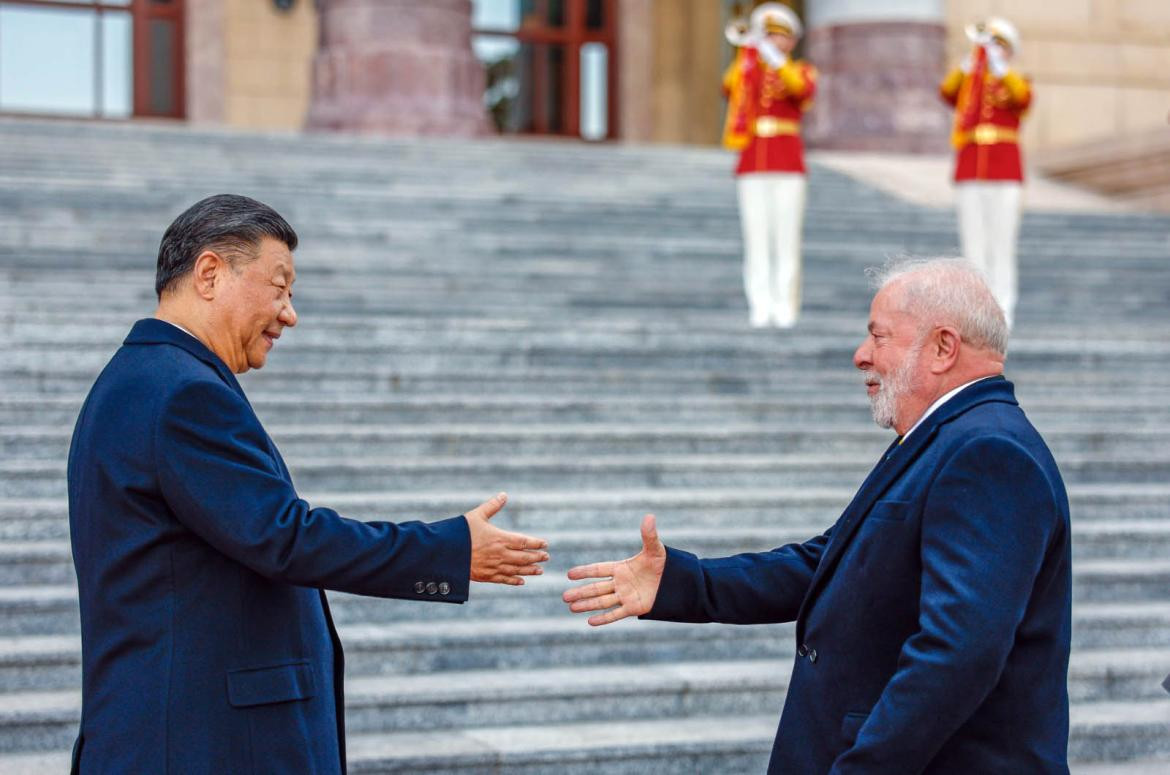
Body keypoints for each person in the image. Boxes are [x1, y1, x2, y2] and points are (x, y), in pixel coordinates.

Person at [67, 194, 549, 773]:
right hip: (198, 745)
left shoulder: (146, 378)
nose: (289, 313)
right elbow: (283, 537)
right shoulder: (180, 393)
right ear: (211, 273)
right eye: (279, 287)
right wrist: (450, 549)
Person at [564, 258, 1072, 773]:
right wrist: (683, 582)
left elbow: (957, 656)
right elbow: (828, 562)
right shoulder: (946, 436)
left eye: (879, 337)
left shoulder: (987, 452)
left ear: (943, 348)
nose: (861, 355)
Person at [722, 3, 817, 328]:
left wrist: (775, 59)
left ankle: (785, 304)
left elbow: (801, 90)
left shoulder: (801, 68)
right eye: (768, 35)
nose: (771, 42)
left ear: (790, 42)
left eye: (778, 37)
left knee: (786, 238)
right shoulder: (750, 71)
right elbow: (729, 87)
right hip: (752, 161)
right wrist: (748, 52)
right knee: (756, 237)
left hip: (787, 162)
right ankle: (760, 304)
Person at [940, 17, 1032, 328]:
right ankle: (975, 312)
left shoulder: (1016, 80)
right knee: (973, 244)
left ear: (1009, 51)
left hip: (1005, 170)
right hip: (971, 168)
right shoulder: (971, 83)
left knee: (1002, 244)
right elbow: (947, 92)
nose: (992, 50)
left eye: (999, 45)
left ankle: (1003, 309)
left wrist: (1000, 68)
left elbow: (1022, 99)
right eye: (990, 44)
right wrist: (970, 63)